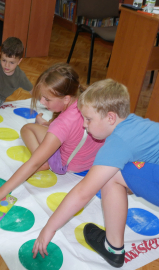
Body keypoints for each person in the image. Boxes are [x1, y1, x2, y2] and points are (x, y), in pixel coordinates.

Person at [32, 78, 159, 268]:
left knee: (110, 176)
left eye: (89, 119)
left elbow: (83, 192)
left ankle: (113, 248)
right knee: (120, 170)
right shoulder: (136, 123)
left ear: (110, 118)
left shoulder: (118, 142)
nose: (84, 124)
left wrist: (49, 229)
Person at [0, 63, 104, 207]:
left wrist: (0, 192)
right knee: (50, 128)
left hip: (66, 164)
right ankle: (44, 125)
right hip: (90, 160)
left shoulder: (61, 124)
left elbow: (34, 163)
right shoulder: (89, 102)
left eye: (47, 99)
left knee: (27, 129)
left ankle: (44, 139)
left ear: (66, 99)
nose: (42, 102)